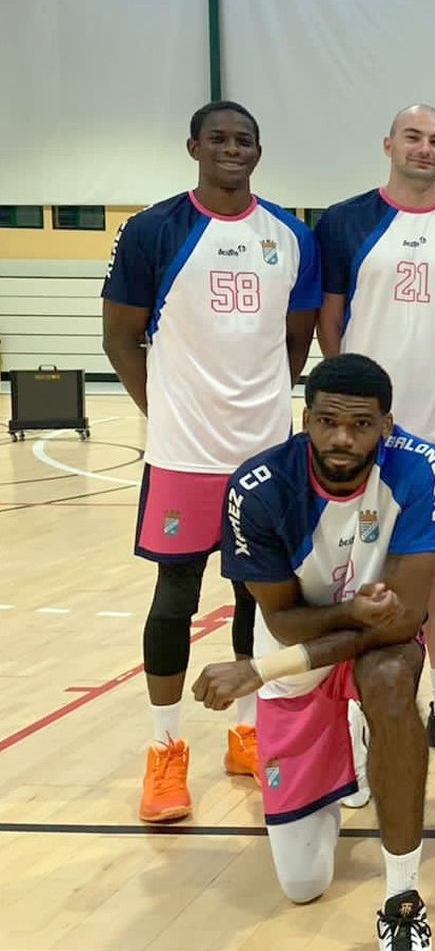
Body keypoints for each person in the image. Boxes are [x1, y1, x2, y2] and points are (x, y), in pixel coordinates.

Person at [192, 353, 435, 951]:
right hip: (300, 643)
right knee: (304, 882)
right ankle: (341, 752)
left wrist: (256, 673)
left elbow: (407, 618)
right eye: (329, 421)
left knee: (393, 680)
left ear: (386, 425)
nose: (344, 439)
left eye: (361, 424)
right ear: (305, 418)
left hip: (369, 647)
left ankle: (402, 901)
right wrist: (346, 614)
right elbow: (283, 621)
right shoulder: (257, 488)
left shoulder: (419, 469)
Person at [101, 100, 319, 823]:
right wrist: (162, 412)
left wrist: (261, 407)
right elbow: (119, 337)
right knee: (176, 597)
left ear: (260, 150)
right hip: (183, 455)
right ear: (193, 145)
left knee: (261, 600)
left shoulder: (289, 234)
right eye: (219, 138)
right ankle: (165, 753)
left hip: (264, 453)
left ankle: (248, 734)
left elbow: (296, 341)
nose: (232, 149)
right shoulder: (154, 230)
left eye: (244, 140)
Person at [314, 104, 435, 775]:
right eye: (414, 137)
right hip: (364, 438)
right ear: (388, 143)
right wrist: (356, 412)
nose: (425, 149)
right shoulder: (343, 223)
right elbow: (329, 325)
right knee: (355, 570)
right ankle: (355, 713)